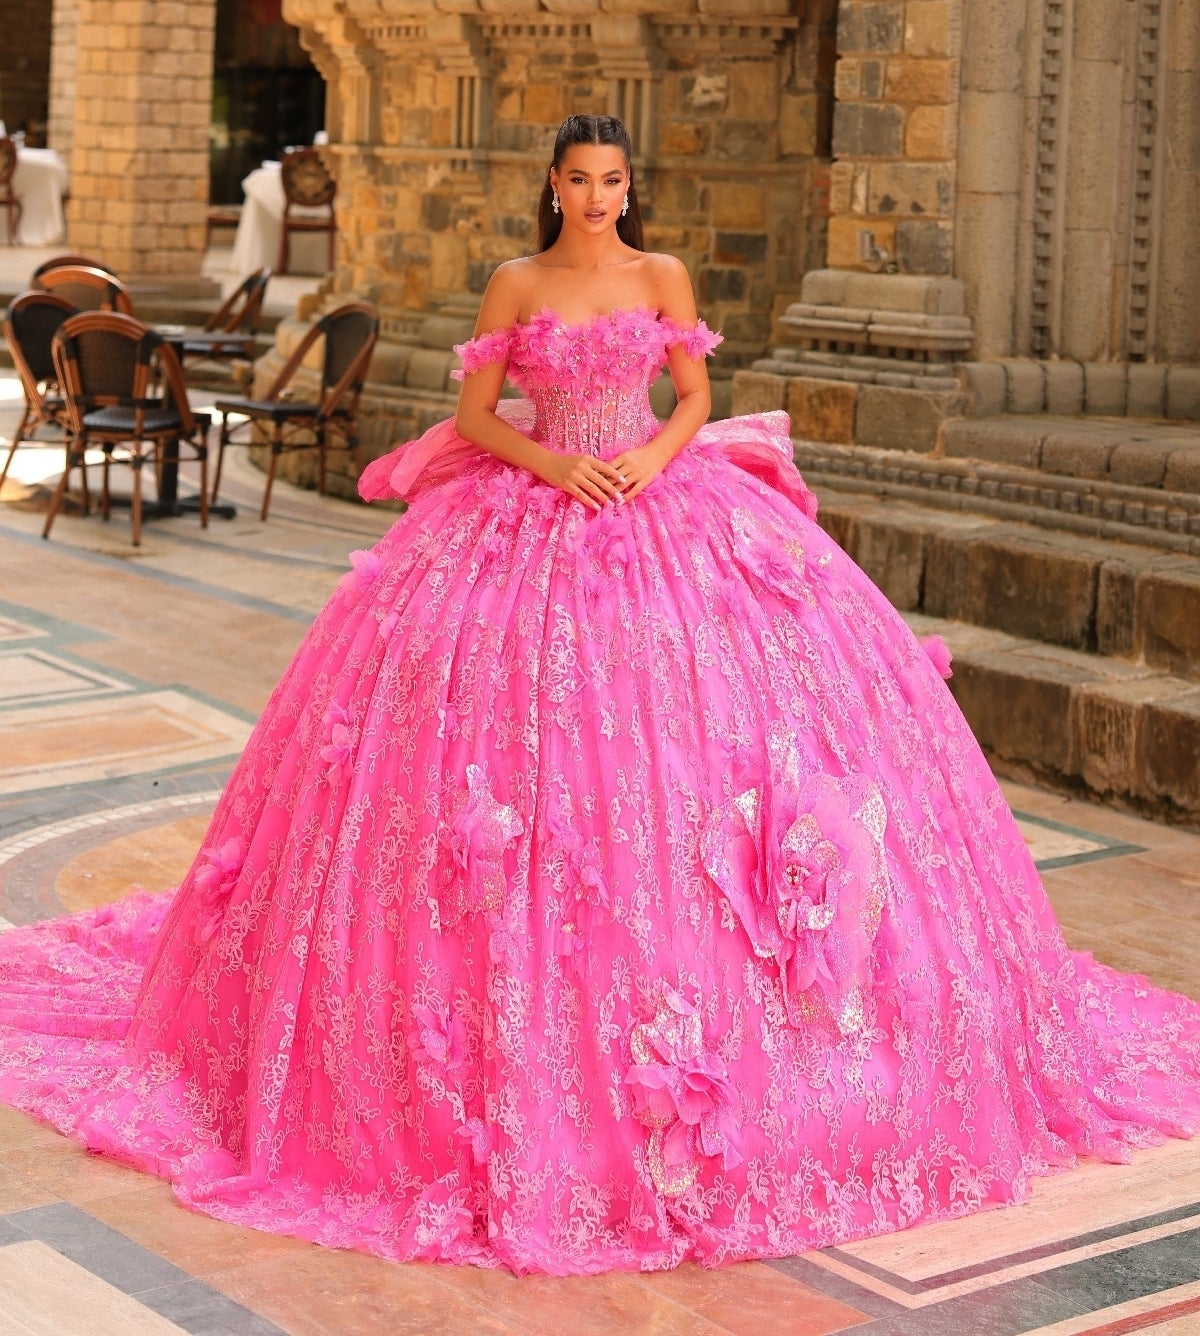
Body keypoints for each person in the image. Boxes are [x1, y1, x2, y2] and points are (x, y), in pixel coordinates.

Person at [0, 112, 1196, 1276]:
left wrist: (647, 460)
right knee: (516, 754)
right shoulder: (515, 283)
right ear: (554, 185)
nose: (596, 196)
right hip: (533, 498)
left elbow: (695, 398)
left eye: (613, 180)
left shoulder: (661, 274)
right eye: (579, 178)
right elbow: (474, 417)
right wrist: (557, 461)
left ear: (630, 186)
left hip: (659, 498)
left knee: (689, 752)